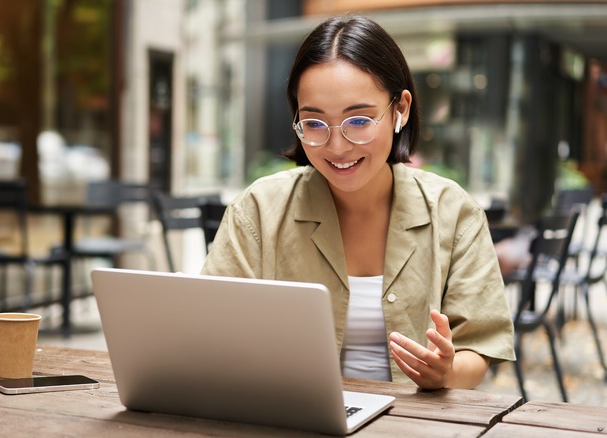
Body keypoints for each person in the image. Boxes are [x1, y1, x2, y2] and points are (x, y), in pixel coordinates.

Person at [201, 15, 515, 390]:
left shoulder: (454, 212)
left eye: (359, 121)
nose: (337, 146)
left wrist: (445, 372)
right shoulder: (257, 212)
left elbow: (477, 348)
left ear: (400, 110)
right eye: (315, 124)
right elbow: (210, 336)